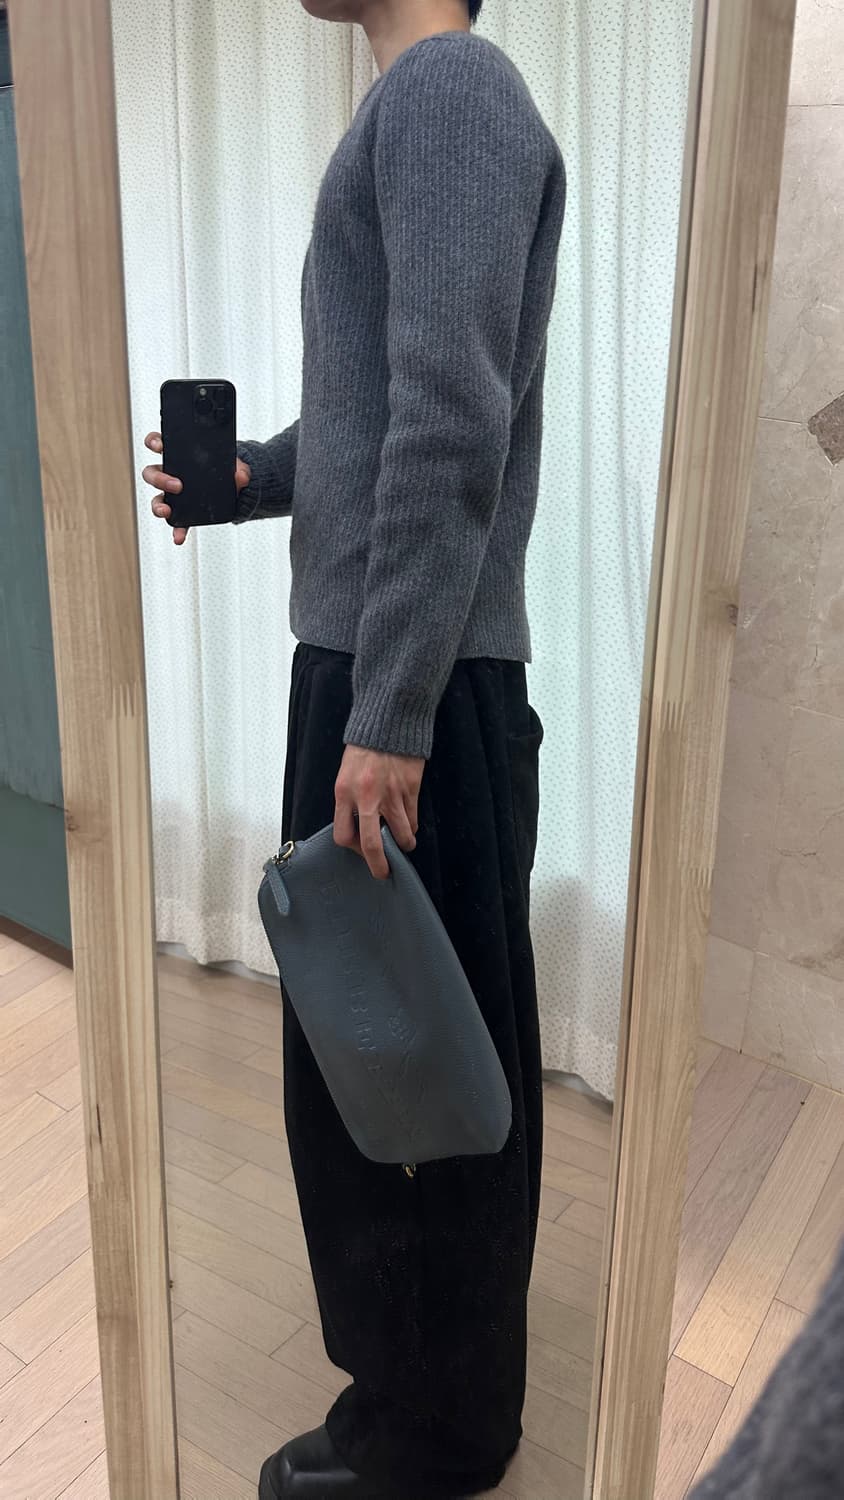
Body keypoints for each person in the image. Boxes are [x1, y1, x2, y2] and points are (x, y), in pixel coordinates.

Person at [143, 1, 565, 1495]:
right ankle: (429, 1400)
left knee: (414, 1086)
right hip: (397, 671)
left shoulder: (449, 89)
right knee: (385, 1067)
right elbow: (384, 417)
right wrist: (248, 475)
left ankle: (434, 1437)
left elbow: (453, 418)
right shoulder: (429, 101)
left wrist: (386, 712)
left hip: (410, 687)